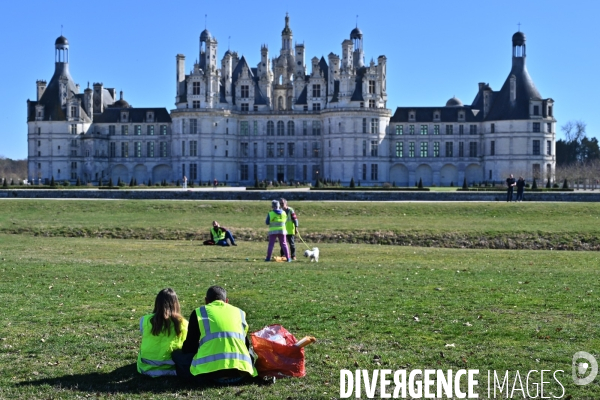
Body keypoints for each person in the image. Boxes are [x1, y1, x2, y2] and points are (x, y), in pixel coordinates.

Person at [171, 286, 257, 383]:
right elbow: (245, 344)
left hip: (210, 375)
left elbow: (190, 347)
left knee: (177, 355)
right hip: (241, 373)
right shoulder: (240, 312)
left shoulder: (200, 313)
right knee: (250, 351)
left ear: (206, 301)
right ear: (227, 301)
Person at [137, 288, 189, 377]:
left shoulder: (145, 320)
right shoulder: (183, 323)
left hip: (146, 368)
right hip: (172, 368)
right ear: (176, 304)